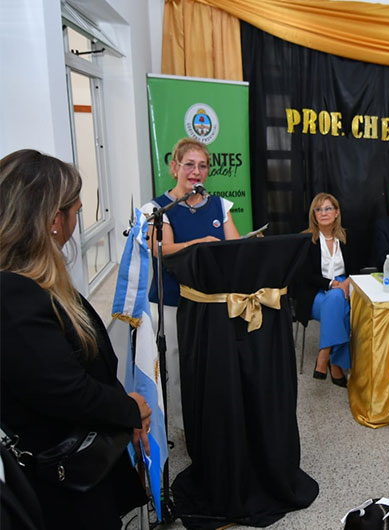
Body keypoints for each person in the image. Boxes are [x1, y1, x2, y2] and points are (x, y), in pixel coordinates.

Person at [0, 149, 151, 529]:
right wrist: (128, 408)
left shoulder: (38, 278)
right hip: (59, 483)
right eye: (76, 211)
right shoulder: (13, 297)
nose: (78, 219)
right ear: (53, 219)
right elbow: (65, 392)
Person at [140, 138, 240, 431]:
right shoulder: (159, 208)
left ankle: (212, 417)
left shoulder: (220, 206)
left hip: (211, 300)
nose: (195, 171)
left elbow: (233, 246)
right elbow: (160, 248)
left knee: (213, 361)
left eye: (202, 166)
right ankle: (185, 427)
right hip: (172, 301)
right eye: (189, 165)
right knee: (178, 366)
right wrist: (202, 243)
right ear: (175, 168)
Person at [294, 193, 354, 387]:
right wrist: (333, 284)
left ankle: (325, 355)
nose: (323, 213)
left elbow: (358, 267)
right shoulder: (305, 239)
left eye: (328, 208)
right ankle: (333, 362)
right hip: (314, 294)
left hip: (345, 288)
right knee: (339, 303)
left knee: (338, 300)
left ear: (336, 213)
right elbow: (304, 275)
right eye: (318, 209)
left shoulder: (346, 238)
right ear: (314, 214)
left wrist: (346, 282)